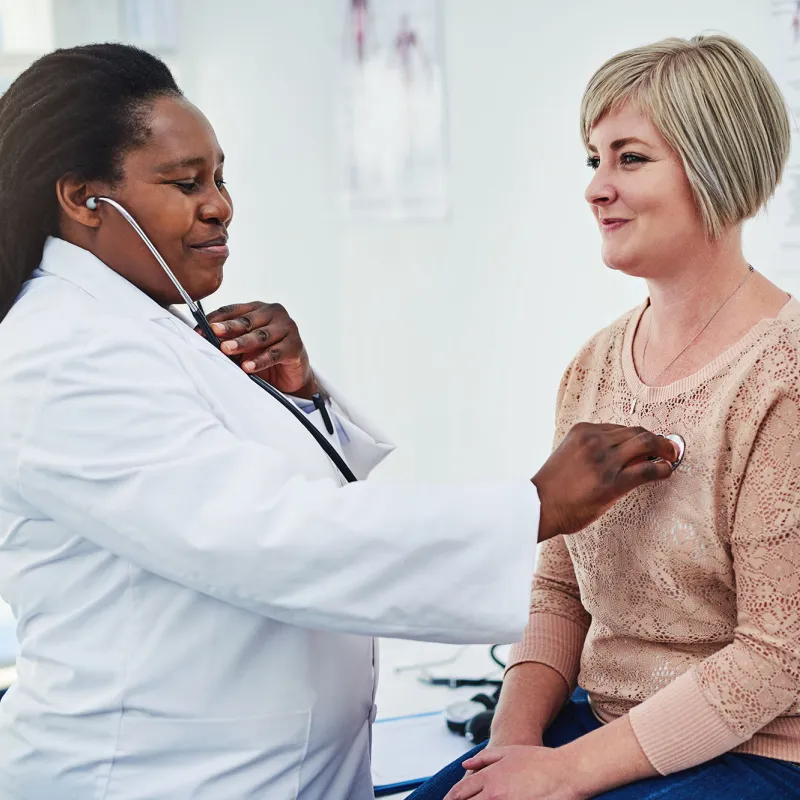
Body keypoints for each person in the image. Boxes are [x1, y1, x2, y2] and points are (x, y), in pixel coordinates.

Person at [0, 44, 678, 799]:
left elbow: (262, 494)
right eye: (184, 183)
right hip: (152, 776)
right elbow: (270, 535)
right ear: (84, 199)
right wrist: (534, 507)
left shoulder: (141, 328)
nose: (219, 204)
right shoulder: (58, 352)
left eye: (221, 177)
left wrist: (297, 394)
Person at [410, 34, 800, 800]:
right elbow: (558, 594)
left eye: (629, 158)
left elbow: (776, 654)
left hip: (755, 755)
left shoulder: (782, 376)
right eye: (594, 159)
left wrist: (563, 774)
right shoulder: (593, 366)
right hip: (596, 726)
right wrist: (510, 752)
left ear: (716, 167)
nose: (596, 188)